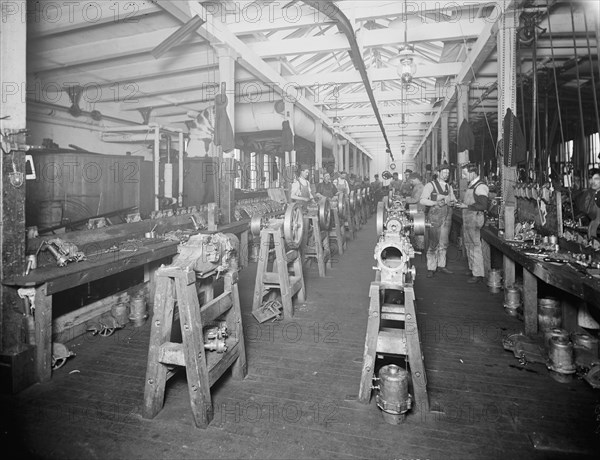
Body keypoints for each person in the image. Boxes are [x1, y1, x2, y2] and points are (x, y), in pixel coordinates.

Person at [420, 162, 456, 278]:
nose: (446, 175)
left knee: (444, 243)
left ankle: (441, 265)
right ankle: (431, 267)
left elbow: (453, 199)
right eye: (444, 172)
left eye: (448, 173)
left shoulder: (449, 187)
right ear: (438, 173)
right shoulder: (430, 185)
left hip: (447, 216)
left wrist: (454, 202)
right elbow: (422, 200)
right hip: (435, 216)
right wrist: (435, 202)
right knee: (433, 243)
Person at [456, 163, 489, 283]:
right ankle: (472, 268)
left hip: (475, 220)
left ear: (473, 172)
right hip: (468, 219)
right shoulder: (471, 185)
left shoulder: (480, 186)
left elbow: (484, 205)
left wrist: (466, 206)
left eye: (465, 173)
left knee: (475, 246)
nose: (464, 176)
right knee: (469, 244)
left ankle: (478, 273)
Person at [405, 173, 426, 250]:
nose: (411, 182)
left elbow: (415, 200)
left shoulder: (420, 187)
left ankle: (420, 249)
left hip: (419, 211)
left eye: (412, 181)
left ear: (416, 179)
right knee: (416, 230)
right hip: (416, 210)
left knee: (419, 232)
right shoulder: (417, 186)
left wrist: (406, 199)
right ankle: (417, 247)